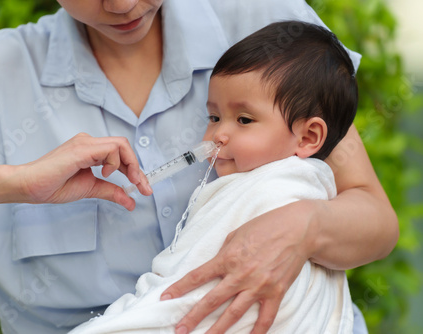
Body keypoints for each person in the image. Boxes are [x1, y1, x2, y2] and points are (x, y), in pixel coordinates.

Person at [0, 1, 397, 333]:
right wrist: (15, 182)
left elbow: (376, 222)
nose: (123, 4)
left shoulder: (268, 27)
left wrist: (305, 226)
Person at [68, 20, 358, 334]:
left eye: (244, 119)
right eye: (214, 117)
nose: (218, 134)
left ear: (308, 137)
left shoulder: (266, 195)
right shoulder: (299, 189)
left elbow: (178, 301)